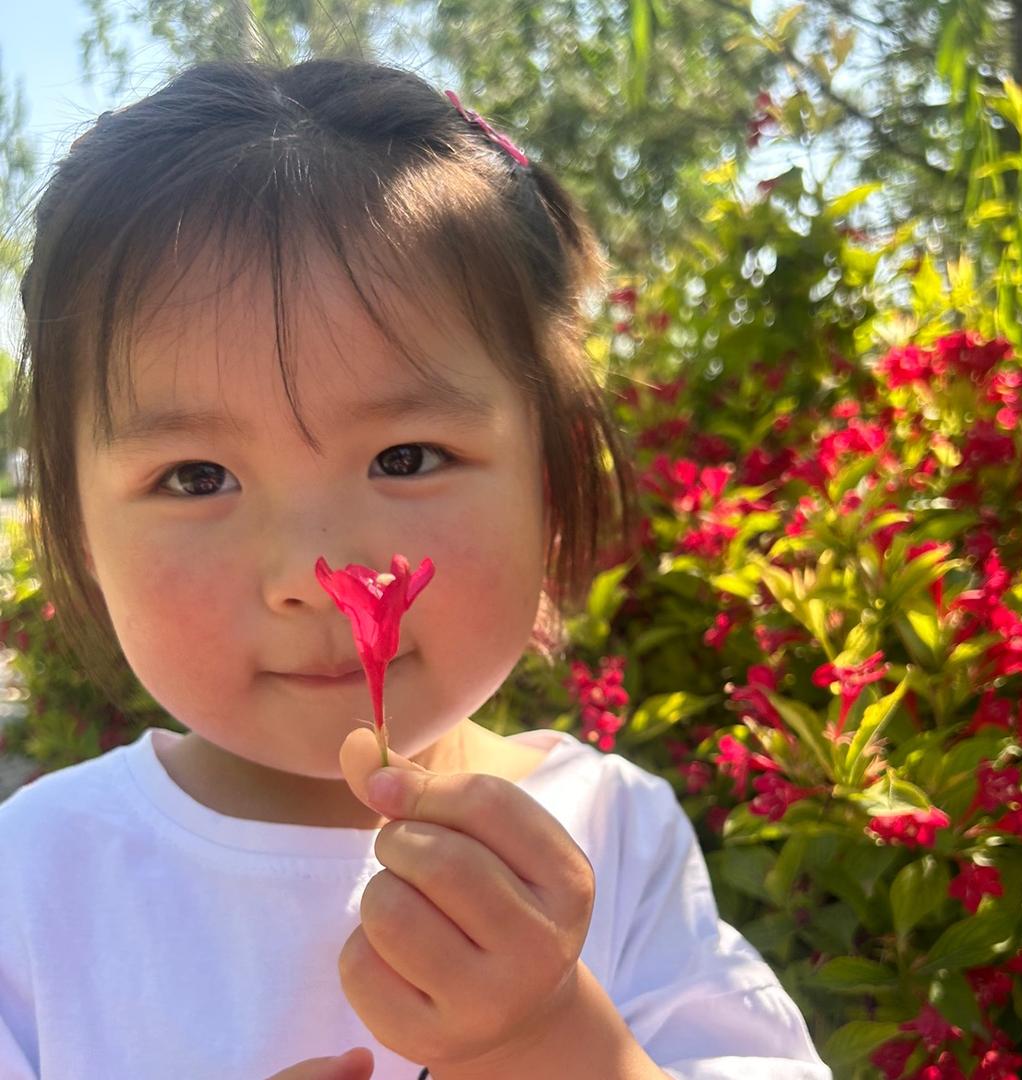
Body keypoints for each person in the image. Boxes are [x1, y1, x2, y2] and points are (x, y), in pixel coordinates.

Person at [0, 57, 832, 1080]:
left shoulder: (608, 835)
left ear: (553, 482)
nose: (317, 571)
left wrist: (547, 1040)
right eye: (196, 475)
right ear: (78, 527)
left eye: (406, 459)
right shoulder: (37, 879)